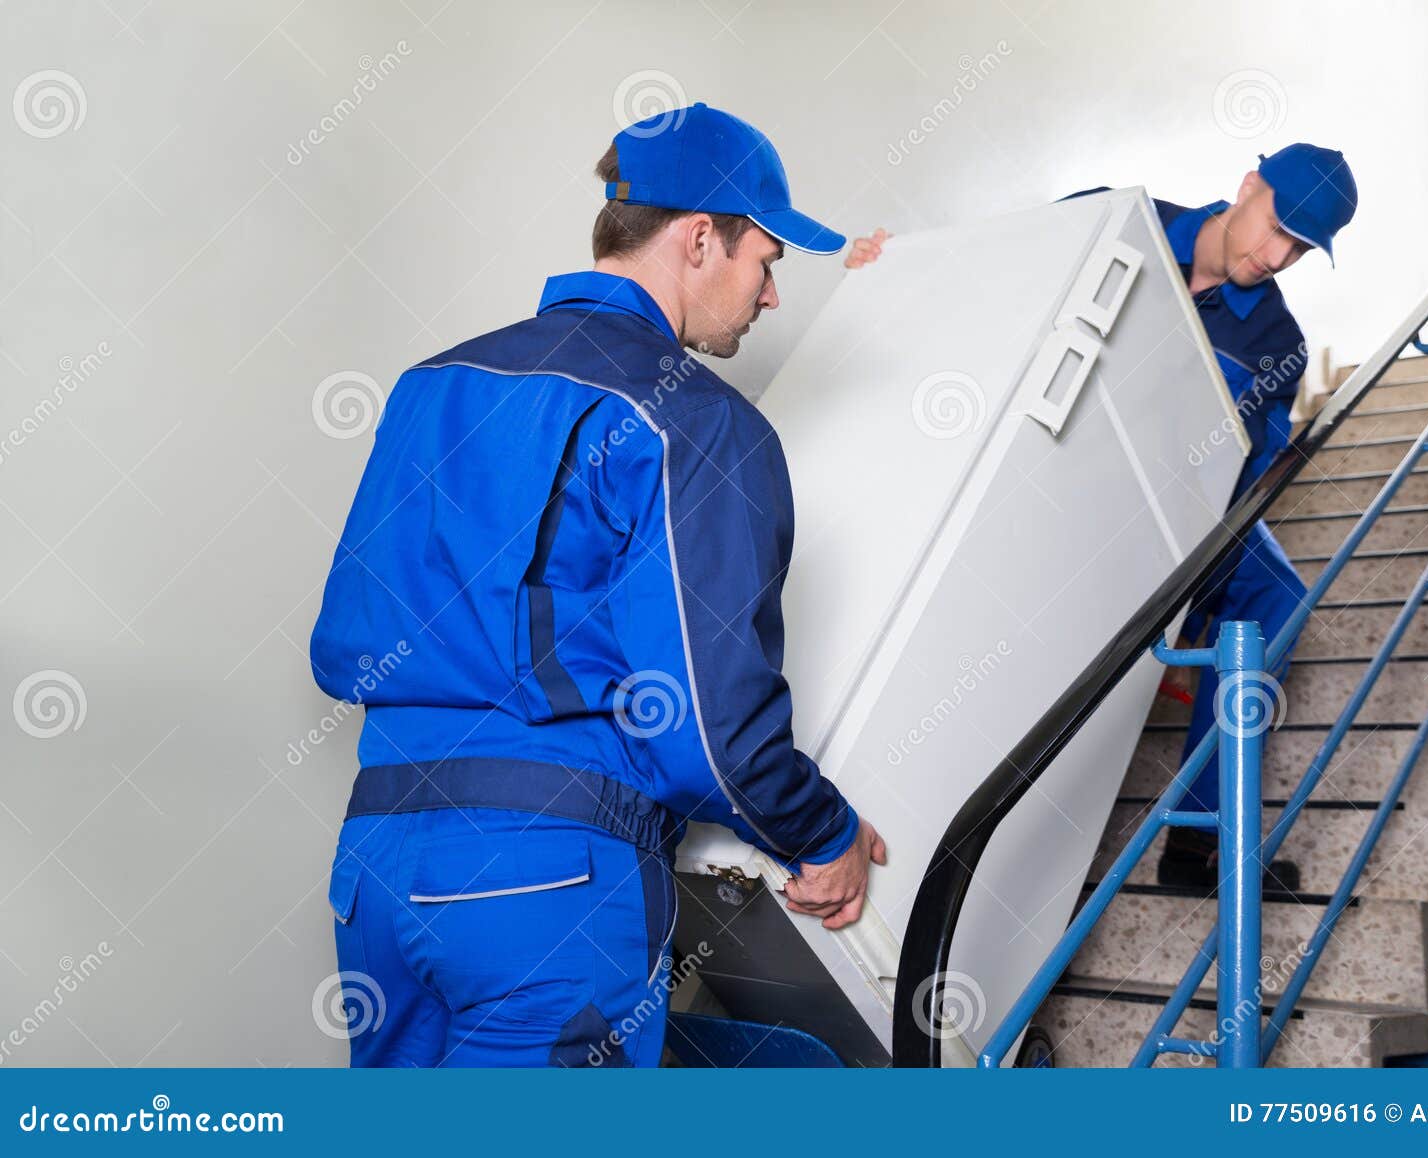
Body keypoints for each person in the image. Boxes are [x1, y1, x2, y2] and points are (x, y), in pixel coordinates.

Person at [309, 102, 886, 1068]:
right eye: (767, 260)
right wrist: (822, 833)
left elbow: (358, 630)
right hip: (547, 888)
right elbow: (707, 721)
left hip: (375, 871)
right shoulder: (693, 419)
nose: (772, 296)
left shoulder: (432, 384)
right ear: (700, 238)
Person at [844, 143, 1357, 894]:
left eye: (1300, 249)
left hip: (1177, 516)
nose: (1278, 257)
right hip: (1051, 472)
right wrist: (901, 267)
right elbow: (997, 268)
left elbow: (1245, 484)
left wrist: (1186, 583)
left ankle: (1196, 843)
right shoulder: (1118, 218)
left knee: (1275, 594)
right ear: (1249, 185)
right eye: (1279, 228)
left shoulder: (1278, 344)